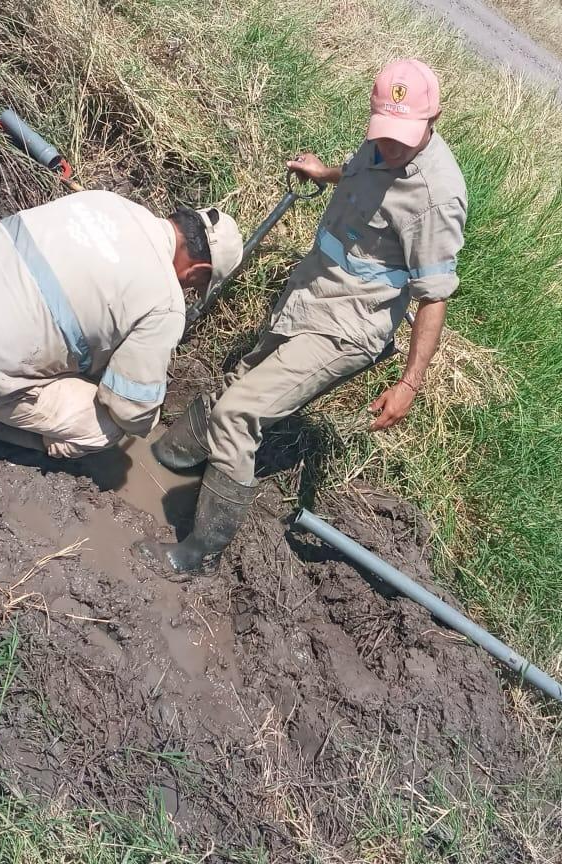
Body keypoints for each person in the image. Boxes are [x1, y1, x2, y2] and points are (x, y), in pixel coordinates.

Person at [135, 58, 468, 575]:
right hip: (309, 295)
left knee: (240, 412)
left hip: (348, 327)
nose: (390, 146)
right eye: (383, 133)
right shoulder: (382, 142)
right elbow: (362, 177)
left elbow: (435, 296)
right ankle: (169, 457)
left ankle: (200, 552)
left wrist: (410, 383)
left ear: (434, 120)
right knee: (238, 380)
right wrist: (327, 172)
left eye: (403, 138)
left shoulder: (437, 198)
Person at [0, 191, 242, 457]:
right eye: (195, 286)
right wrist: (148, 415)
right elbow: (129, 410)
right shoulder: (166, 303)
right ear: (197, 272)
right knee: (107, 429)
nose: (188, 291)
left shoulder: (106, 201)